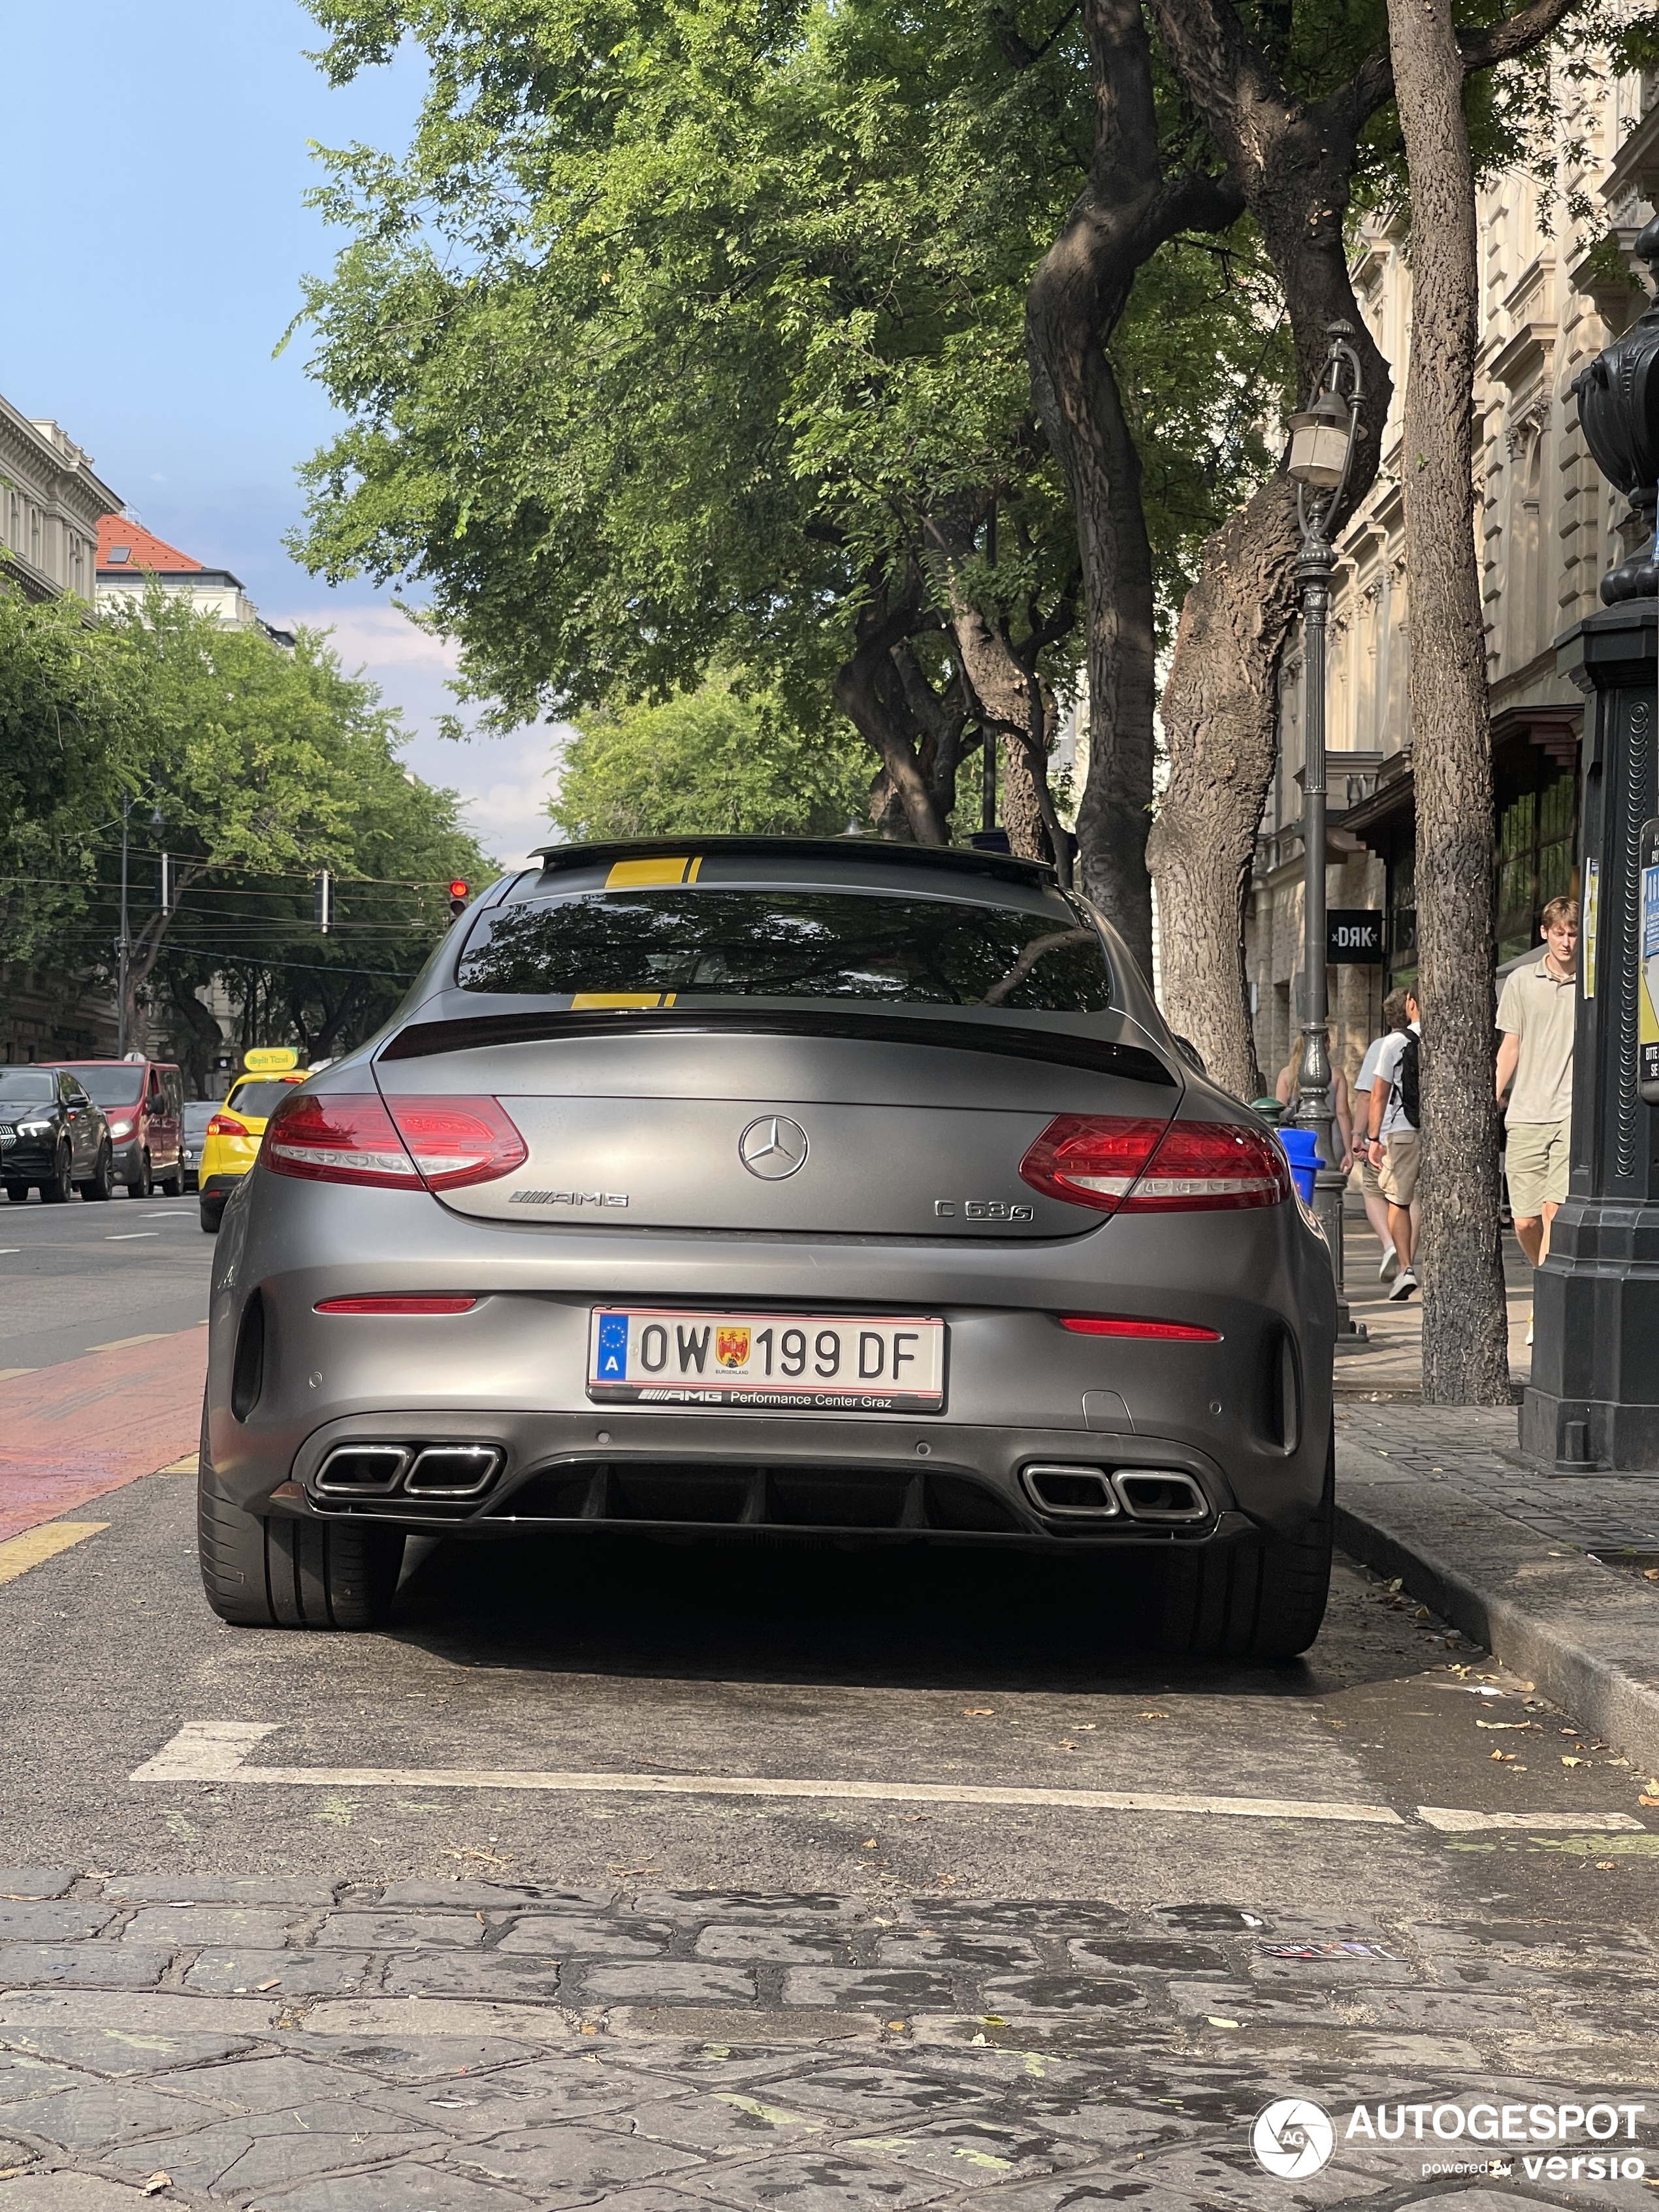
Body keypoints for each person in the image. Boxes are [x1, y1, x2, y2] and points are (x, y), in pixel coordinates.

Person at [1496, 895, 1578, 1342]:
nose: (1567, 941)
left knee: (1554, 1211)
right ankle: (1547, 1281)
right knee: (1526, 1220)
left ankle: (1543, 1310)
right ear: (1545, 932)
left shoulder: (1590, 982)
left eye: (1573, 932)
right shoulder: (1522, 981)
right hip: (1527, 1113)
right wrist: (1493, 1092)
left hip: (1571, 1112)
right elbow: (1511, 1044)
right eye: (1559, 932)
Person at [1366, 987, 1421, 1300]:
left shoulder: (1395, 1042)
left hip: (1403, 1130)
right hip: (1440, 1133)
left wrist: (1373, 1138)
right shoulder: (1452, 1035)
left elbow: (1378, 1093)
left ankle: (1405, 1268)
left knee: (1398, 1200)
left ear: (1412, 1004)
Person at [1352, 989, 1411, 1278]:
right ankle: (1407, 1261)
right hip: (1415, 1132)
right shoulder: (1425, 1040)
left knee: (1374, 1190)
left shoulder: (1382, 1046)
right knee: (1409, 1196)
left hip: (1385, 1132)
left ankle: (1390, 1246)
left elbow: (1368, 1095)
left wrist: (1359, 1134)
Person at [1274, 1048, 1353, 1169]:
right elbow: (1343, 1113)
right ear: (1326, 1044)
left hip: (1298, 1141)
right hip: (1332, 1142)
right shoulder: (1336, 1074)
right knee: (1330, 1183)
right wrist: (1349, 1151)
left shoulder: (1286, 1073)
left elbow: (1280, 1113)